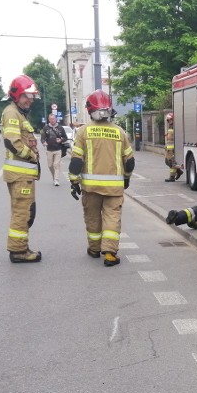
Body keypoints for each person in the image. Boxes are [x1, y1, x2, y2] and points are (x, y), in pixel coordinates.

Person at [68, 90, 135, 267]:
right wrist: (126, 179)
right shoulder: (120, 132)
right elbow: (129, 162)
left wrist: (74, 181)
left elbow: (76, 160)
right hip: (114, 188)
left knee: (92, 218)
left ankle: (94, 249)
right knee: (112, 218)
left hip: (90, 189)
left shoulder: (83, 132)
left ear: (90, 110)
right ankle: (110, 254)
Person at [1, 74, 42, 263]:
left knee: (26, 211)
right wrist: (32, 156)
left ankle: (21, 247)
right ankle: (18, 251)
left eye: (32, 97)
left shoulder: (18, 113)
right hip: (20, 175)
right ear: (16, 94)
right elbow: (12, 142)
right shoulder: (12, 113)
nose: (30, 101)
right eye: (27, 96)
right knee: (22, 212)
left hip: (22, 175)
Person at [40, 113, 66, 186]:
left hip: (58, 149)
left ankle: (56, 179)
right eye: (50, 119)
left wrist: (61, 140)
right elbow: (42, 138)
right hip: (49, 150)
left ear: (56, 119)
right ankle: (54, 177)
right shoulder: (46, 128)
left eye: (53, 119)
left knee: (56, 165)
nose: (52, 120)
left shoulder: (60, 128)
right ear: (49, 119)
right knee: (50, 165)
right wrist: (44, 142)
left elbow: (65, 137)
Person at [164, 112, 182, 182]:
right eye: (168, 120)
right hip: (169, 148)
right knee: (167, 161)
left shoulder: (175, 127)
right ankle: (179, 171)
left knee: (172, 162)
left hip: (172, 148)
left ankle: (172, 177)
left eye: (170, 120)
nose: (169, 121)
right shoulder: (170, 127)